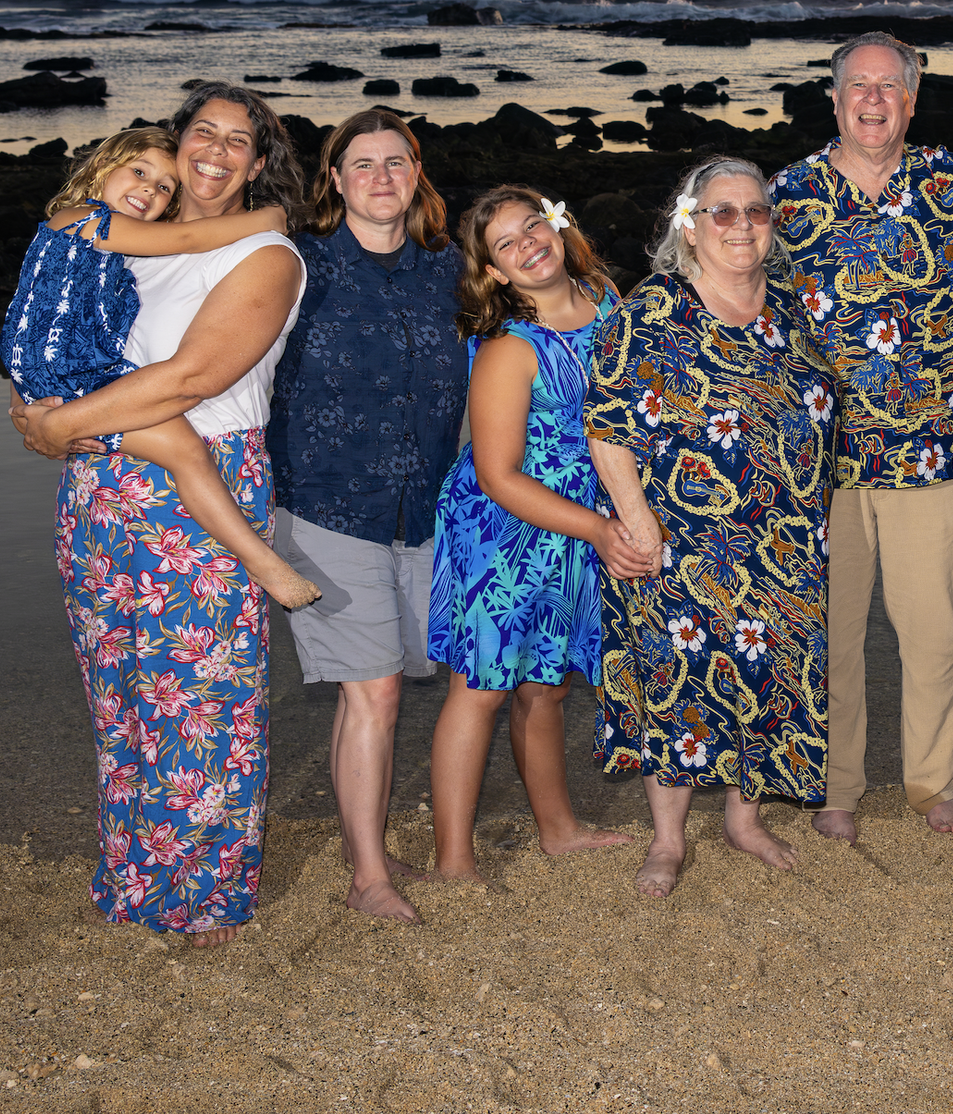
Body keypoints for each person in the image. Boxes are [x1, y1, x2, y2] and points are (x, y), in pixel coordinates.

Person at [14, 84, 307, 947]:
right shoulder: (125, 240)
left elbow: (193, 377)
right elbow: (66, 330)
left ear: (259, 164)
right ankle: (136, 876)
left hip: (201, 479)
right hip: (106, 484)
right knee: (123, 693)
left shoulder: (265, 253)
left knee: (205, 700)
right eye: (201, 134)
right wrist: (56, 410)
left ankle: (208, 893)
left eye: (238, 142)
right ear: (175, 145)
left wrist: (58, 425)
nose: (215, 152)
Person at [586, 156, 837, 898]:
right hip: (679, 539)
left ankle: (743, 819)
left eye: (756, 211)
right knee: (678, 682)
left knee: (766, 678)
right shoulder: (653, 310)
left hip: (782, 542)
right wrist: (637, 524)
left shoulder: (791, 308)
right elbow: (608, 427)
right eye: (722, 212)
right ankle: (667, 840)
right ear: (690, 227)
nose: (741, 226)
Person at [771, 31, 953, 841]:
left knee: (932, 629)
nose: (872, 99)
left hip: (931, 448)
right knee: (830, 632)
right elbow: (732, 302)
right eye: (857, 87)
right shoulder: (786, 196)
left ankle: (931, 782)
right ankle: (836, 785)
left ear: (911, 98)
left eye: (888, 86)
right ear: (833, 101)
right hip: (821, 459)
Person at [264, 108, 472, 922]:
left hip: (424, 508)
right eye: (363, 164)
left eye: (396, 162)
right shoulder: (297, 264)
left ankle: (375, 849)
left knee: (403, 680)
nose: (381, 177)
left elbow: (536, 308)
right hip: (325, 503)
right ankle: (367, 876)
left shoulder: (448, 267)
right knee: (375, 693)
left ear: (416, 175)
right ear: (335, 180)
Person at [425, 186, 651, 884]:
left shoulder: (606, 298)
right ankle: (453, 861)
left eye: (533, 227)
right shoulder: (508, 349)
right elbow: (497, 475)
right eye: (506, 244)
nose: (528, 245)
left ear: (558, 227)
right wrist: (600, 528)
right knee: (482, 687)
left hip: (581, 525)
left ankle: (558, 830)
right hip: (506, 533)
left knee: (546, 686)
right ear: (494, 272)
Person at [2, 126, 320, 611]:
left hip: (68, 380)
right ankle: (263, 562)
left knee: (184, 450)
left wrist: (40, 414)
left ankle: (262, 564)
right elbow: (190, 236)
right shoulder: (84, 220)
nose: (150, 188)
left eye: (164, 187)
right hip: (71, 378)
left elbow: (191, 373)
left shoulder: (126, 249)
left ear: (257, 164)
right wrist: (268, 218)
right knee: (184, 450)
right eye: (138, 172)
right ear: (98, 172)